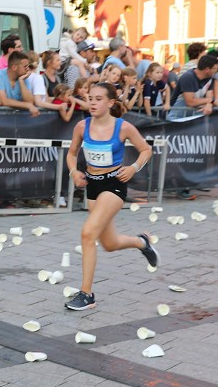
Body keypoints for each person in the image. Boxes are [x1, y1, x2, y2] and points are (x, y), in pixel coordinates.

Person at [64, 81, 158, 311]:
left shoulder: (123, 127)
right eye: (90, 98)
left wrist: (133, 167)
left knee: (87, 233)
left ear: (110, 102)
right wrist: (74, 171)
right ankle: (142, 242)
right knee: (109, 243)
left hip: (114, 185)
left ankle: (87, 294)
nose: (92, 103)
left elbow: (146, 150)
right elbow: (72, 154)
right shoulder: (81, 127)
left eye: (98, 99)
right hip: (92, 186)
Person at [169, 54, 218, 120]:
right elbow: (190, 102)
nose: (216, 71)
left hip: (194, 117)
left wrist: (209, 104)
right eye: (214, 68)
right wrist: (211, 100)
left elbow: (209, 96)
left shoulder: (210, 78)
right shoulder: (188, 77)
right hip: (176, 116)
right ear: (207, 69)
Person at [0, 51, 39, 115]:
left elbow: (30, 101)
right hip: (1, 117)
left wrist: (21, 81)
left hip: (19, 119)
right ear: (14, 67)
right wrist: (27, 106)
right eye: (25, 66)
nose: (28, 69)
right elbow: (4, 101)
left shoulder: (24, 77)